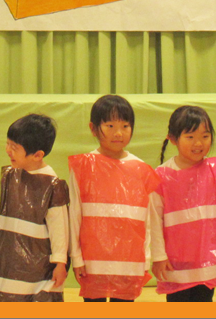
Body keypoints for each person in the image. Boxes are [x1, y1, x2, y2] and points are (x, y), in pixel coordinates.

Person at [68, 94, 159, 302]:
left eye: (125, 126)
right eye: (110, 126)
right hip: (93, 262)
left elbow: (147, 221)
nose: (118, 133)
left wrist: (146, 259)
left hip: (129, 262)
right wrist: (77, 257)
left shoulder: (141, 169)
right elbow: (75, 215)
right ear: (93, 128)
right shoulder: (83, 166)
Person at [151, 105, 216, 302]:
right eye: (190, 137)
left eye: (205, 136)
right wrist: (159, 257)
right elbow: (154, 220)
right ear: (173, 139)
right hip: (176, 265)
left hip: (208, 263)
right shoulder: (161, 177)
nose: (198, 143)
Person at [0, 113, 69, 301]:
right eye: (8, 144)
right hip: (9, 263)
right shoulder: (10, 175)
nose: (8, 150)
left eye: (14, 148)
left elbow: (60, 229)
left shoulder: (52, 185)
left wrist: (60, 263)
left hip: (40, 268)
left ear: (37, 155)